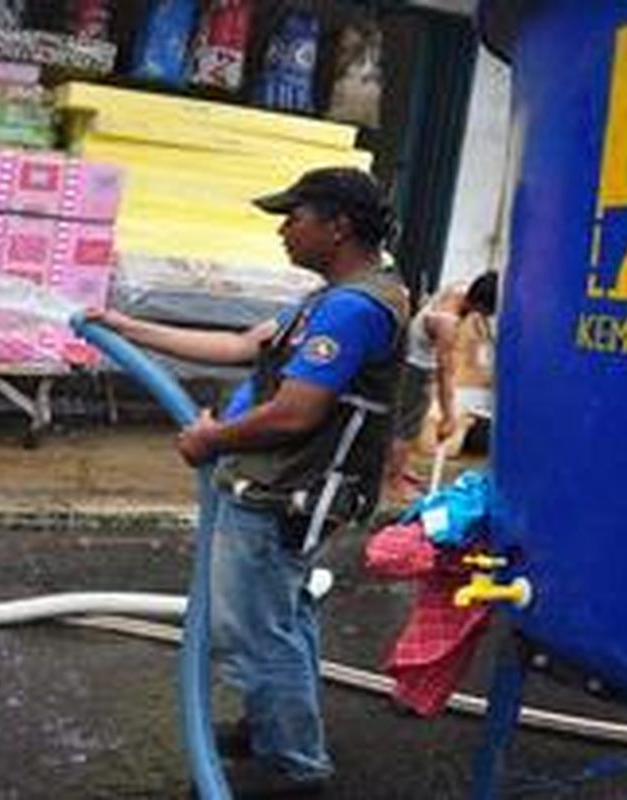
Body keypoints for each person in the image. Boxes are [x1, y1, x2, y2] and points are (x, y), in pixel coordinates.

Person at [90, 167, 409, 796]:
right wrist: (128, 328)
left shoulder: (352, 307)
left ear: (338, 226)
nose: (284, 231)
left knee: (254, 630)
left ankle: (294, 765)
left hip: (282, 492)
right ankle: (275, 726)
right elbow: (242, 346)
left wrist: (212, 439)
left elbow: (297, 411)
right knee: (282, 617)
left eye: (295, 217)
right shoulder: (336, 296)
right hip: (281, 489)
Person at [383, 271, 498, 504]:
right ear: (480, 304)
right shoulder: (447, 322)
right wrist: (448, 416)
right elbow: (445, 373)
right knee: (407, 428)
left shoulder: (460, 287)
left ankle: (400, 469)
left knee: (408, 423)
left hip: (413, 357)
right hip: (415, 367)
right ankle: (392, 483)